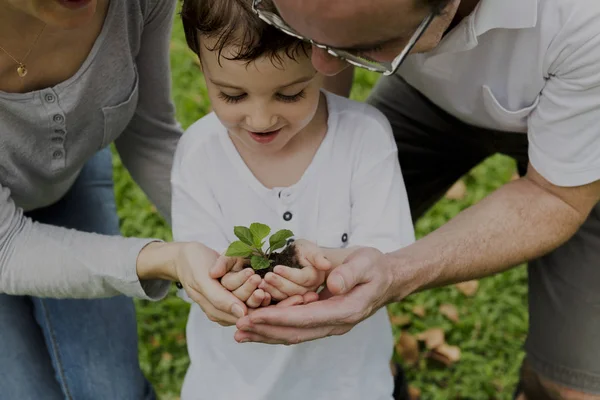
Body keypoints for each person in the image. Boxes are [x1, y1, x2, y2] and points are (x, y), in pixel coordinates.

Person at [227, 0, 600, 399]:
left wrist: (395, 273)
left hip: (586, 129)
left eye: (368, 46)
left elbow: (554, 196)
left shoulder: (583, 21)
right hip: (424, 95)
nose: (319, 64)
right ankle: (379, 380)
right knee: (316, 265)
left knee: (570, 382)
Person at [0, 0, 253, 398]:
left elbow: (149, 132)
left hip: (67, 181)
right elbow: (7, 247)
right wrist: (166, 259)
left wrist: (238, 252)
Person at [170, 0, 415, 398]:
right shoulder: (199, 152)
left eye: (289, 94)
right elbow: (195, 271)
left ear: (325, 61)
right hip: (235, 385)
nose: (261, 119)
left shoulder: (364, 137)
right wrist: (233, 282)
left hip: (346, 383)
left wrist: (325, 269)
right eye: (233, 96)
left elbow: (391, 258)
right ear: (203, 69)